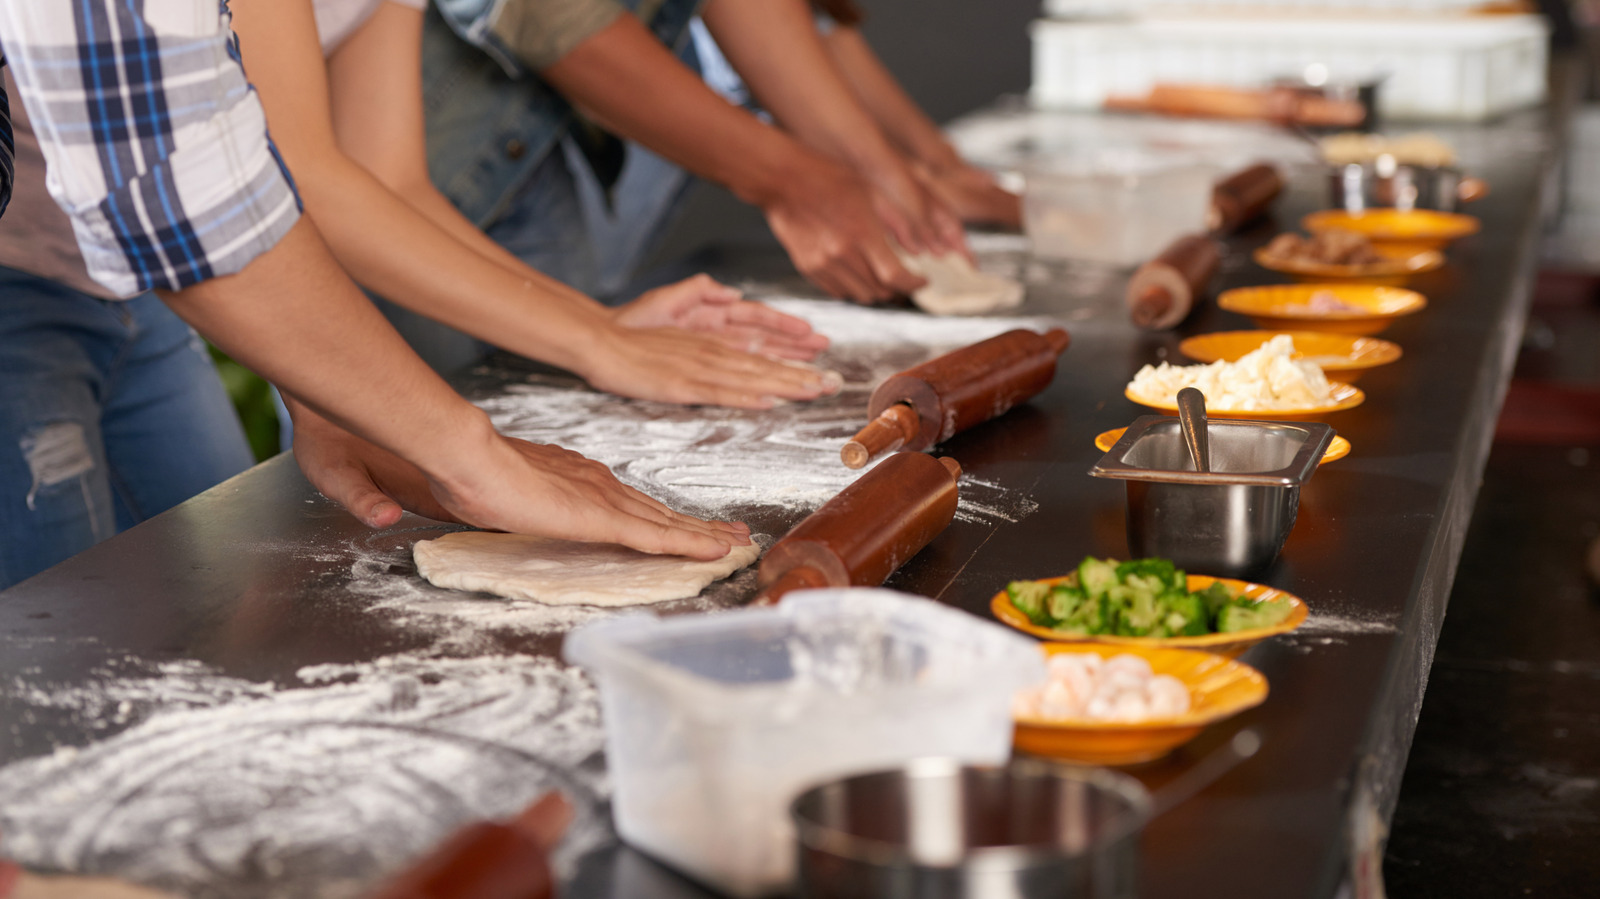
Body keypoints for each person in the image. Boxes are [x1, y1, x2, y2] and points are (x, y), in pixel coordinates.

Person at [0, 0, 756, 592]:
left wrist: (325, 389)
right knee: (54, 661)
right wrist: (472, 451)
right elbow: (175, 188)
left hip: (133, 288)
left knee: (221, 597)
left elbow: (310, 166)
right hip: (24, 280)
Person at [423, 0, 979, 318]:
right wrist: (794, 180)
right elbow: (549, 12)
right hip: (433, 175)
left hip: (539, 159)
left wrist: (873, 172)